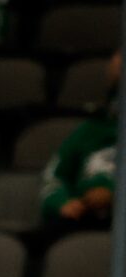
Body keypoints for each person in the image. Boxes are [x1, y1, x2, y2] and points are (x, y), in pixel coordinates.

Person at [44, 58, 119, 227]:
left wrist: (114, 196)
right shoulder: (91, 129)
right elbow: (54, 179)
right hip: (81, 224)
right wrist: (63, 203)